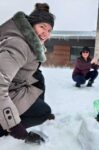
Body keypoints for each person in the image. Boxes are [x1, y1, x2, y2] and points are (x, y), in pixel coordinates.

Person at [0, 3, 55, 144]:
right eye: (42, 27)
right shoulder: (18, 45)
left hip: (13, 85)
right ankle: (3, 128)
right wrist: (14, 125)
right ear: (31, 25)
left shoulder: (27, 40)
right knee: (43, 111)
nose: (46, 33)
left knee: (38, 77)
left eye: (49, 30)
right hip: (4, 92)